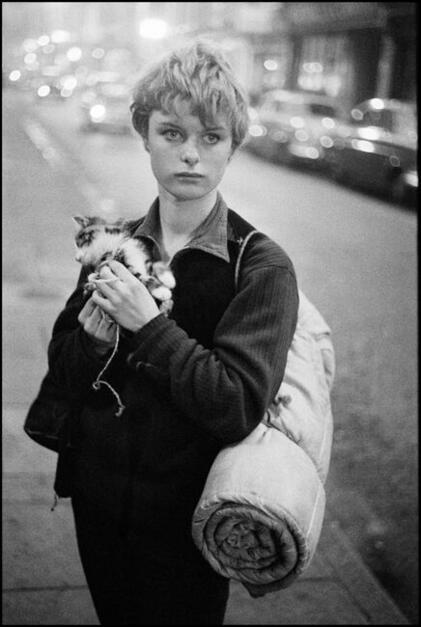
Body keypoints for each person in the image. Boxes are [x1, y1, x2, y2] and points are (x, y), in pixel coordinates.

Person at [47, 40, 299, 625]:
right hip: (99, 501)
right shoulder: (113, 245)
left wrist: (150, 326)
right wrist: (91, 343)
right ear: (145, 134)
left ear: (233, 146)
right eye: (172, 133)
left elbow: (236, 406)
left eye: (210, 137)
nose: (190, 154)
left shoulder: (262, 268)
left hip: (189, 523)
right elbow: (63, 373)